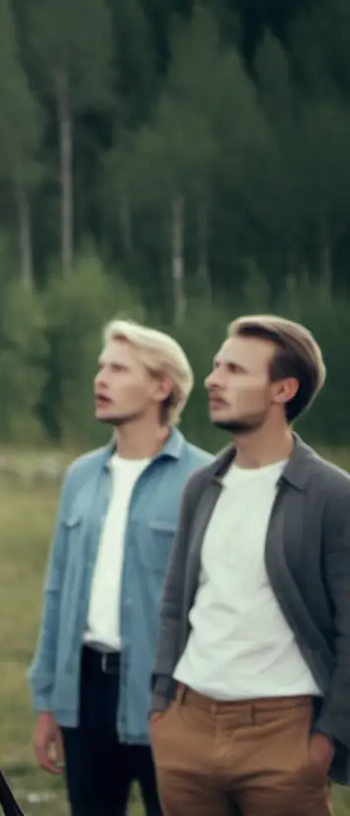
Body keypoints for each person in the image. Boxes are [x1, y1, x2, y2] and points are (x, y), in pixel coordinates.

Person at [150, 314, 350, 815]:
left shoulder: (331, 495)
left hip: (284, 736)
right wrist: (161, 710)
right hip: (188, 727)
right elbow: (176, 604)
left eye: (236, 370)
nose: (214, 380)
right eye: (217, 366)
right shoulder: (202, 485)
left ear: (284, 388)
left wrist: (327, 739)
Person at [25, 318, 211, 815]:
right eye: (101, 367)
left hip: (171, 696)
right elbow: (57, 592)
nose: (99, 379)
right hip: (85, 692)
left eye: (118, 369)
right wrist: (48, 702)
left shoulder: (205, 480)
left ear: (161, 386)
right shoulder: (81, 477)